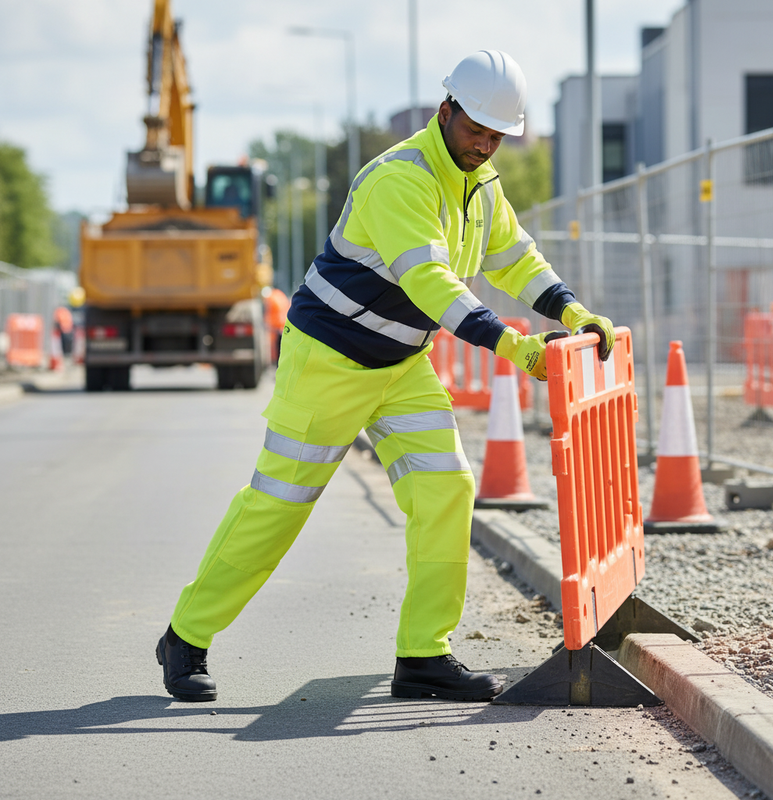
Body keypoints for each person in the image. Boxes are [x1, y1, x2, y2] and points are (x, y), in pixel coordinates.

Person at [156, 50, 614, 703]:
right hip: (328, 362)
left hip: (401, 364)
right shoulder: (399, 178)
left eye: (496, 137)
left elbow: (514, 257)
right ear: (444, 111)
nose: (484, 146)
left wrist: (570, 308)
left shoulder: (480, 184)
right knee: (277, 508)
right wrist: (517, 349)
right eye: (474, 130)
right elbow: (431, 282)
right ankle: (186, 636)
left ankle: (424, 655)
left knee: (446, 489)